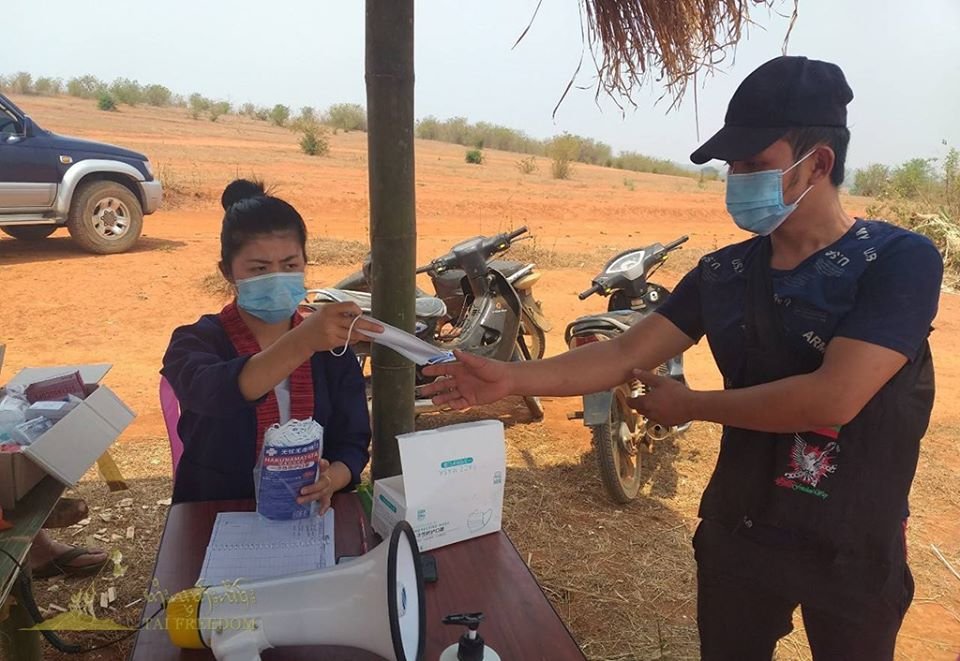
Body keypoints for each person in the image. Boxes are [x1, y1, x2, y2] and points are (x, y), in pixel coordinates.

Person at [422, 56, 943, 660]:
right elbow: (625, 353)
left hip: (854, 537)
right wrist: (507, 376)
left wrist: (692, 405)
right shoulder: (724, 273)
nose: (738, 180)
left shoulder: (897, 261)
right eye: (733, 167)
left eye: (755, 165)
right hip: (743, 527)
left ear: (817, 164)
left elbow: (836, 396)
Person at [161, 179, 380, 509]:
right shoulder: (195, 342)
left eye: (290, 265)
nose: (277, 277)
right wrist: (301, 343)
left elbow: (352, 441)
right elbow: (213, 393)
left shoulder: (331, 351)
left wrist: (330, 479)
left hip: (309, 514)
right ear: (228, 272)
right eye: (260, 268)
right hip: (216, 512)